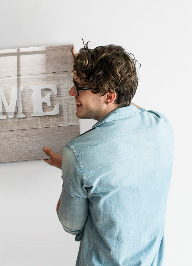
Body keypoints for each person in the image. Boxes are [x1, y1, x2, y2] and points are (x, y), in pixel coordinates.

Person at [43, 43, 174, 265]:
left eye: (79, 87)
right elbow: (127, 106)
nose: (71, 92)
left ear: (109, 96)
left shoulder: (78, 154)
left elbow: (71, 224)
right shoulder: (161, 125)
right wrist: (90, 73)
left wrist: (70, 168)